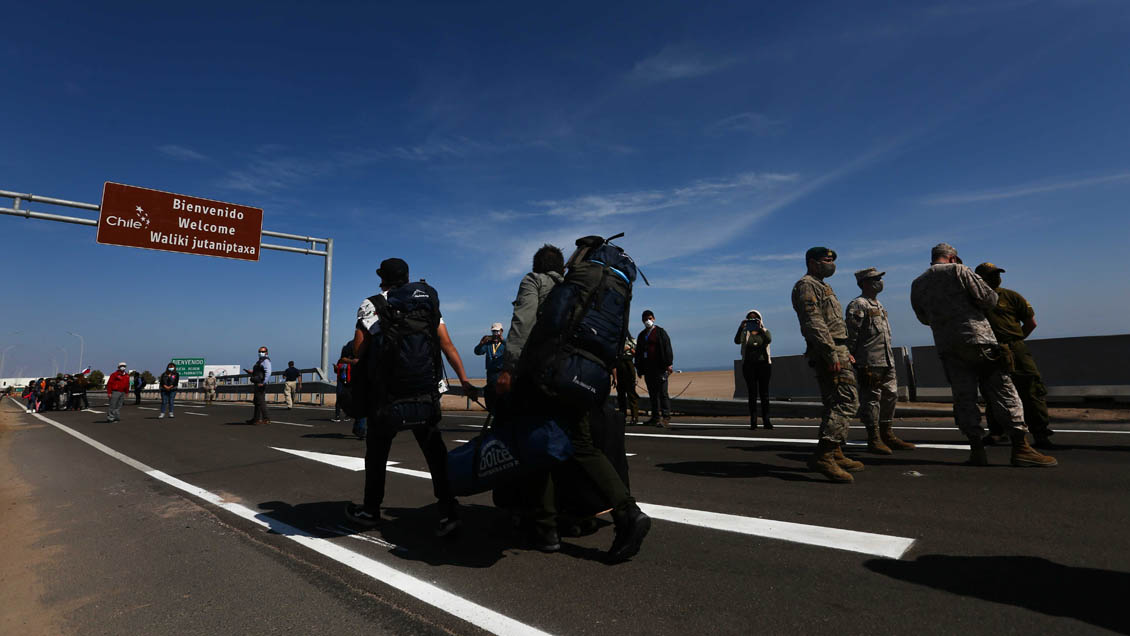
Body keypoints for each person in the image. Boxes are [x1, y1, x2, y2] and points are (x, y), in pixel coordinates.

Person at [343, 258, 477, 537]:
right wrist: (463, 379)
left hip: (388, 396)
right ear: (407, 278)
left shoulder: (372, 304)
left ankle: (370, 510)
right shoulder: (425, 305)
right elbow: (446, 344)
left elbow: (359, 350)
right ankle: (448, 512)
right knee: (435, 454)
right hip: (425, 392)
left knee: (377, 454)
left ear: (382, 278)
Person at [910, 243, 1056, 467]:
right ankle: (1021, 447)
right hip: (979, 341)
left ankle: (977, 450)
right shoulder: (960, 271)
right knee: (1003, 390)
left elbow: (923, 318)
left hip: (948, 346)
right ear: (952, 258)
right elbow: (990, 300)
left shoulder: (918, 283)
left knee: (964, 397)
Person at [791, 246, 864, 482]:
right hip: (828, 349)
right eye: (826, 260)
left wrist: (843, 350)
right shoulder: (807, 285)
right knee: (847, 400)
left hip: (837, 347)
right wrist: (831, 352)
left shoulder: (823, 286)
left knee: (835, 400)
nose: (831, 263)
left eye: (833, 260)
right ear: (812, 263)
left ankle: (835, 451)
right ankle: (824, 454)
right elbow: (814, 323)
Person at [974, 263, 1057, 449]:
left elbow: (1030, 322)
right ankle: (998, 432)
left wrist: (1014, 342)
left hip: (1015, 348)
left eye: (997, 274)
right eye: (990, 275)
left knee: (1031, 390)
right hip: (990, 350)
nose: (995, 278)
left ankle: (1040, 433)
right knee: (994, 392)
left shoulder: (1011, 296)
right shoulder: (974, 300)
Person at [845, 268, 915, 454]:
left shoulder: (879, 305)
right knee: (871, 400)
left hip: (887, 359)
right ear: (864, 283)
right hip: (869, 360)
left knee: (890, 396)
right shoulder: (858, 305)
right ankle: (874, 438)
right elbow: (851, 334)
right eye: (875, 279)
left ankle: (888, 434)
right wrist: (850, 355)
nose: (879, 282)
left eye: (879, 278)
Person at [496, 245, 568, 396]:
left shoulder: (534, 280)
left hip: (540, 370)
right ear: (563, 269)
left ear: (536, 266)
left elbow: (523, 323)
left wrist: (509, 369)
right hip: (571, 370)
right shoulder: (574, 288)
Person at [734, 309, 773, 430]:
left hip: (764, 365)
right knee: (752, 394)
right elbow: (736, 341)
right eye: (750, 318)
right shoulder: (745, 333)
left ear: (760, 319)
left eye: (755, 318)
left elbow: (768, 339)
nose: (752, 321)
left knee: (764, 394)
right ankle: (753, 420)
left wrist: (760, 328)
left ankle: (766, 420)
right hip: (749, 365)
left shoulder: (764, 331)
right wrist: (741, 328)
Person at [634, 310, 673, 428]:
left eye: (649, 318)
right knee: (652, 394)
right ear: (642, 321)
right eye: (645, 319)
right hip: (648, 369)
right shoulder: (641, 335)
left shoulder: (660, 332)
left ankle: (666, 417)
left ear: (654, 319)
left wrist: (669, 364)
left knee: (663, 393)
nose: (648, 321)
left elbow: (667, 347)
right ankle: (655, 417)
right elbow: (638, 353)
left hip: (660, 368)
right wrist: (639, 369)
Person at [473, 322, 506, 414]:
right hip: (491, 373)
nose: (495, 334)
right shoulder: (488, 344)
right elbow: (477, 352)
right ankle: (492, 412)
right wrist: (481, 343)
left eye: (497, 331)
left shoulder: (505, 343)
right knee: (490, 394)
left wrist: (502, 340)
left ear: (501, 331)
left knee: (501, 397)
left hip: (501, 372)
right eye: (493, 332)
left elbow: (512, 349)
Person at [613, 338, 640, 425]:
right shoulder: (615, 339)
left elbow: (637, 355)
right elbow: (613, 360)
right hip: (618, 365)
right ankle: (622, 416)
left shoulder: (632, 341)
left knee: (631, 394)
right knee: (620, 394)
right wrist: (615, 378)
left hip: (628, 365)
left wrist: (629, 348)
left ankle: (634, 416)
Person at [244, 347, 272, 425]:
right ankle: (256, 419)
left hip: (260, 383)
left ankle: (266, 418)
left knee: (261, 401)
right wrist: (251, 372)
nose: (260, 352)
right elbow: (259, 372)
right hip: (257, 383)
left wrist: (263, 382)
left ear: (266, 352)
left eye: (262, 351)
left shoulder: (266, 361)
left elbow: (268, 372)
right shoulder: (260, 361)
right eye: (259, 351)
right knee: (257, 402)